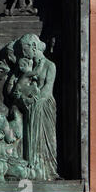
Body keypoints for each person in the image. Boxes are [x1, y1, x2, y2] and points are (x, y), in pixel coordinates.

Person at [14, 34, 60, 180]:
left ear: (33, 46)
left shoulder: (50, 65)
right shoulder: (28, 66)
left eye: (24, 49)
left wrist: (34, 99)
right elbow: (19, 88)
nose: (23, 52)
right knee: (32, 137)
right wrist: (24, 99)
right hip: (31, 107)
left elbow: (48, 88)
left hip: (44, 105)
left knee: (47, 139)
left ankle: (49, 170)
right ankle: (33, 169)